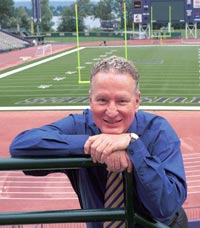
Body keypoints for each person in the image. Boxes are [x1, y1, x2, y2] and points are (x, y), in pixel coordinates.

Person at [10, 56, 188, 228]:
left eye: (122, 101)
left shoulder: (158, 130)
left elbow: (166, 206)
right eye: (102, 100)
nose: (111, 111)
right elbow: (21, 145)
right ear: (90, 101)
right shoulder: (80, 125)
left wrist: (134, 147)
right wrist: (95, 144)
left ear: (136, 101)